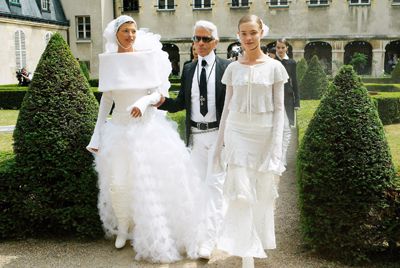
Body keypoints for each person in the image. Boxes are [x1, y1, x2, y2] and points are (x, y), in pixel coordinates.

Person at [87, 15, 204, 263]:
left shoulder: (146, 58)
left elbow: (158, 93)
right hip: (118, 129)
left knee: (149, 183)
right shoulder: (109, 62)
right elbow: (106, 101)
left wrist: (143, 101)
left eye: (133, 31)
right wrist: (96, 135)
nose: (130, 36)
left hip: (147, 130)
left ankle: (149, 227)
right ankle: (122, 227)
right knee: (118, 183)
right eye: (126, 31)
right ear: (115, 34)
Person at [212, 15, 288, 268]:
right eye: (244, 33)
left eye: (253, 32)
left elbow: (280, 110)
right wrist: (219, 145)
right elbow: (226, 109)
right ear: (238, 35)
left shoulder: (276, 68)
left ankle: (256, 242)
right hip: (238, 133)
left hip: (265, 134)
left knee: (263, 192)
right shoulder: (232, 69)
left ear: (261, 33)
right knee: (241, 192)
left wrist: (276, 148)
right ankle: (246, 251)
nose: (248, 38)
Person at [157, 20, 231, 259]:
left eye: (205, 39)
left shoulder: (227, 67)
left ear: (216, 42)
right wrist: (160, 102)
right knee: (198, 189)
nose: (200, 43)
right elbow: (180, 103)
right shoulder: (188, 69)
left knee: (215, 189)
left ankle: (209, 240)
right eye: (196, 38)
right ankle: (198, 235)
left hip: (219, 137)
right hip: (197, 138)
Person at [275, 38, 299, 126]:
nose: (280, 50)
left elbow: (295, 81)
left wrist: (297, 101)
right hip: (274, 95)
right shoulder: (272, 62)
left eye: (282, 47)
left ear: (287, 48)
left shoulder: (292, 62)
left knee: (290, 123)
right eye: (278, 47)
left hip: (288, 96)